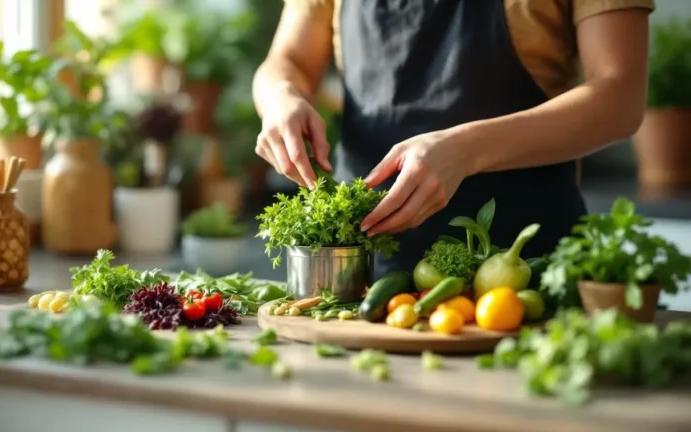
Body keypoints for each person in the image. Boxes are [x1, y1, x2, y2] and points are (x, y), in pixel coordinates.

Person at [252, 0, 654, 277]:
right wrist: (280, 98)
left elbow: (619, 97)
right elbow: (288, 61)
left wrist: (467, 149)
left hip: (523, 275)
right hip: (362, 280)